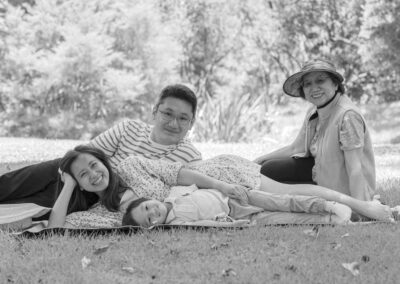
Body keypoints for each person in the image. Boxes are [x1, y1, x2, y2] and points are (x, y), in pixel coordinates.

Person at [48, 145, 393, 228]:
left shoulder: (131, 166)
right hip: (216, 204)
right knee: (278, 205)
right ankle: (353, 210)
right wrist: (65, 185)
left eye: (95, 165)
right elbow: (56, 228)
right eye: (83, 174)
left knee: (282, 193)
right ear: (78, 182)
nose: (93, 174)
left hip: (217, 176)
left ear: (104, 163)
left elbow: (182, 173)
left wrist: (221, 184)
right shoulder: (102, 214)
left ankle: (365, 208)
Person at [0, 84, 201, 218]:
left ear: (191, 123)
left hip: (91, 198)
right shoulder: (129, 128)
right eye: (167, 113)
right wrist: (74, 175)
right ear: (155, 111)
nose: (173, 123)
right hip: (77, 171)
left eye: (183, 118)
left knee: (26, 207)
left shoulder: (190, 157)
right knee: (14, 182)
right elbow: (87, 155)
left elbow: (178, 197)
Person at [254, 58, 375, 202]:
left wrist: (361, 207)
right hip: (320, 172)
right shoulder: (314, 111)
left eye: (320, 81)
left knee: (271, 186)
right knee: (267, 170)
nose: (314, 88)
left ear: (335, 84)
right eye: (308, 84)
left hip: (342, 189)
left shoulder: (347, 116)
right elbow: (295, 148)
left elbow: (355, 169)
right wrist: (258, 160)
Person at [121, 186, 353, 228]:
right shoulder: (176, 222)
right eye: (149, 220)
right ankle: (327, 220)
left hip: (241, 197)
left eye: (147, 208)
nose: (153, 213)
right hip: (235, 216)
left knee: (283, 201)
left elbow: (201, 182)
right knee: (280, 218)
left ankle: (328, 205)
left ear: (150, 199)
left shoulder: (175, 193)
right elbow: (205, 223)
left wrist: (231, 187)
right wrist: (230, 225)